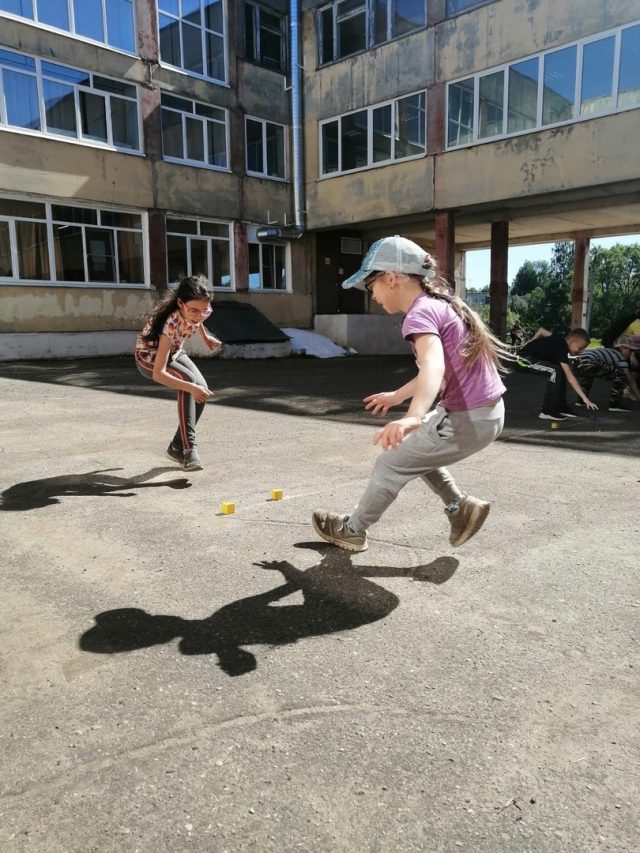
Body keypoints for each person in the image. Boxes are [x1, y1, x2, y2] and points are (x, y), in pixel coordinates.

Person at [311, 235, 508, 554]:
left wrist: (413, 416)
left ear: (391, 278)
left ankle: (352, 530)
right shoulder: (439, 305)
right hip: (485, 413)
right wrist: (398, 395)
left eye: (370, 285)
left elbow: (432, 365)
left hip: (467, 418)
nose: (371, 295)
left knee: (390, 465)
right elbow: (440, 368)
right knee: (413, 451)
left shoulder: (419, 314)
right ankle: (460, 507)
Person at [135, 275, 222, 471]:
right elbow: (159, 373)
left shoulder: (200, 309)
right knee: (190, 383)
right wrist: (190, 387)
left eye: (204, 310)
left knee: (202, 389)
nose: (199, 315)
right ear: (180, 303)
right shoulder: (170, 323)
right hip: (150, 359)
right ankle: (188, 449)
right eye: (194, 311)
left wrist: (205, 337)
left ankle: (176, 446)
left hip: (175, 351)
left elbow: (196, 321)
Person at [516, 327, 597, 420]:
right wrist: (585, 398)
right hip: (522, 359)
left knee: (560, 370)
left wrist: (531, 342)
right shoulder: (561, 347)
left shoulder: (560, 340)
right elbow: (570, 377)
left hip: (529, 357)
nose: (581, 352)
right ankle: (547, 411)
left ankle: (560, 407)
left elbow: (542, 331)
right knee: (555, 371)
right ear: (572, 341)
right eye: (580, 348)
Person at [571, 335, 640, 412]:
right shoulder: (620, 357)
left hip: (577, 362)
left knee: (588, 375)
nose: (631, 354)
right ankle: (615, 404)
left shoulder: (608, 351)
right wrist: (638, 397)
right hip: (590, 361)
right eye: (630, 351)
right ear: (622, 348)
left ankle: (581, 401)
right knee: (621, 374)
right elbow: (630, 380)